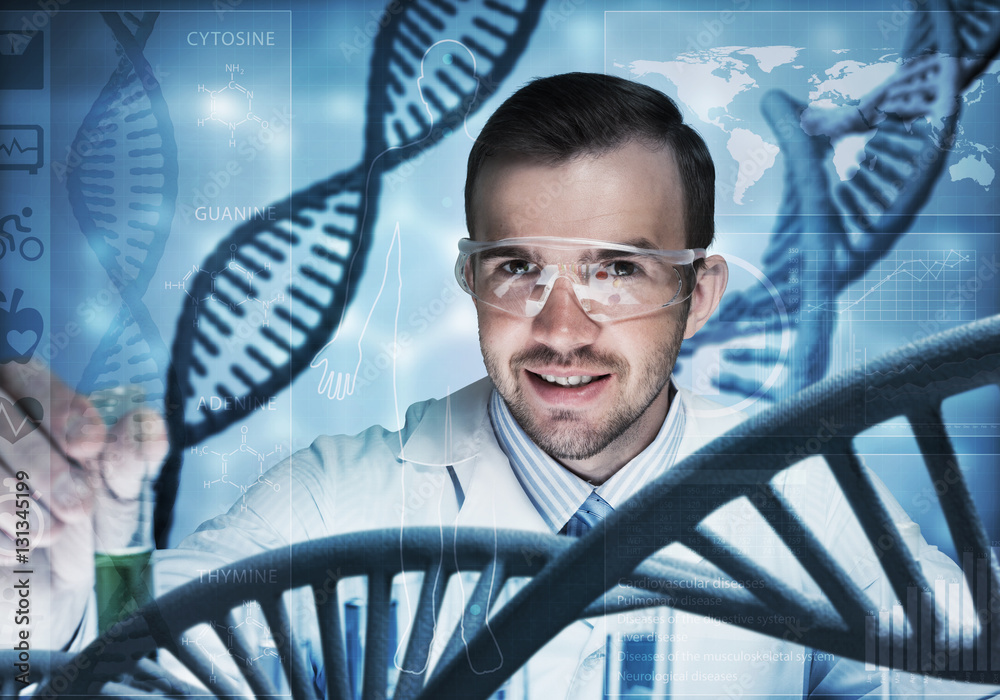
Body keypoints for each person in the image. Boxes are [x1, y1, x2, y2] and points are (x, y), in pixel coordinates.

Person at [1, 72, 982, 697]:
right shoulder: (344, 491)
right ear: (470, 277)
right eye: (518, 269)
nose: (560, 329)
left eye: (616, 271)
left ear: (698, 292)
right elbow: (132, 648)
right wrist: (41, 595)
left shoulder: (812, 499)